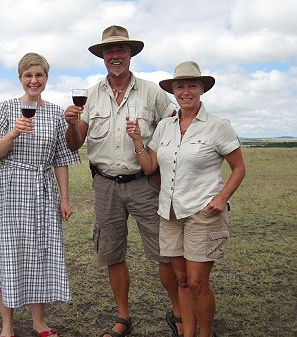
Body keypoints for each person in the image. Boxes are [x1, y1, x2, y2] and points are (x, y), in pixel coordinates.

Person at [64, 25, 181, 337]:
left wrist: (154, 156)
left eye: (121, 50)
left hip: (145, 183)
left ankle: (179, 314)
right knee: (113, 255)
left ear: (131, 54)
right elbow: (75, 143)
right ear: (103, 56)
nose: (115, 55)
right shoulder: (90, 95)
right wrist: (71, 124)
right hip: (104, 185)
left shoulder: (152, 92)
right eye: (110, 51)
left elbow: (175, 124)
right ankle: (123, 317)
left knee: (165, 254)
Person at [126, 61, 246, 337]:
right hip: (169, 212)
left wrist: (222, 197)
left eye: (192, 85)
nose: (186, 91)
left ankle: (205, 333)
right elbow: (149, 167)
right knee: (180, 279)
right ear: (173, 91)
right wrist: (136, 141)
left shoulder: (218, 126)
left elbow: (238, 168)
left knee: (197, 282)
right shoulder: (165, 126)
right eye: (180, 86)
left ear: (202, 89)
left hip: (203, 213)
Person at [0, 52, 80, 337]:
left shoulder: (56, 112)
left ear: (46, 78)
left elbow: (61, 158)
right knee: (8, 255)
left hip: (43, 190)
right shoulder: (7, 108)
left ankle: (38, 322)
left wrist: (65, 198)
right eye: (28, 75)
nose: (34, 80)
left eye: (39, 75)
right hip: (9, 189)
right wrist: (12, 134)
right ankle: (7, 326)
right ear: (20, 78)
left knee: (40, 254)